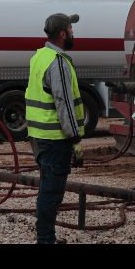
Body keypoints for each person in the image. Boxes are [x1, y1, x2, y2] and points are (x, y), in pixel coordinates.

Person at [25, 13, 85, 244]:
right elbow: (64, 104)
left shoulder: (39, 57)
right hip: (55, 139)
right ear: (62, 33)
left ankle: (46, 236)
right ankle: (46, 239)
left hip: (39, 136)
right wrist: (75, 139)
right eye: (71, 29)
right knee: (52, 192)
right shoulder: (57, 62)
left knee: (46, 188)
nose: (73, 33)